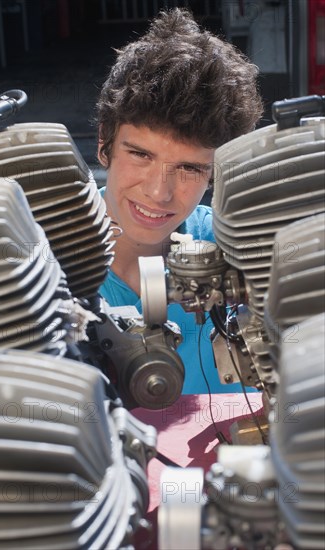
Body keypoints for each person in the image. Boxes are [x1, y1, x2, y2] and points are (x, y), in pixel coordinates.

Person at [96, 8, 263, 394]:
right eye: (141, 155)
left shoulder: (241, 248)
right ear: (104, 143)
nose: (159, 192)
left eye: (189, 168)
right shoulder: (40, 268)